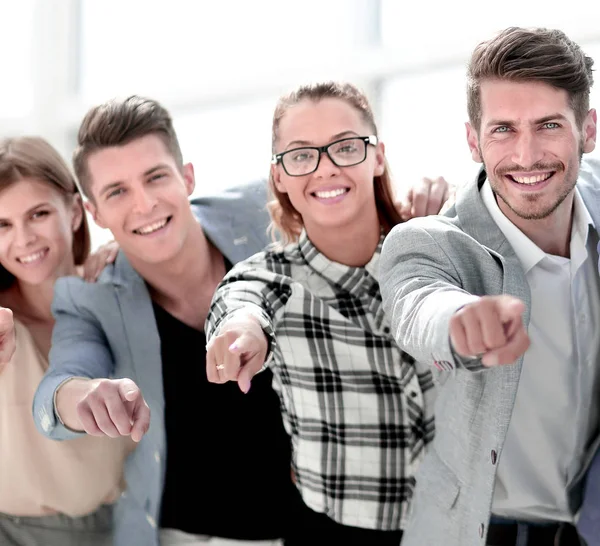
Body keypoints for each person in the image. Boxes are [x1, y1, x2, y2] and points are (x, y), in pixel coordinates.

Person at [32, 94, 449, 546]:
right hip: (192, 534)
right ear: (95, 214)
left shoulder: (258, 209)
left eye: (156, 177)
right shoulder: (91, 297)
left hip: (321, 521)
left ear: (186, 177)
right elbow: (59, 386)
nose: (145, 204)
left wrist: (417, 203)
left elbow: (347, 196)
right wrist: (84, 397)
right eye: (117, 192)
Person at [378, 27, 600, 546]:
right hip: (478, 532)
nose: (527, 156)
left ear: (587, 130)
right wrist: (461, 326)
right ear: (473, 140)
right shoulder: (431, 243)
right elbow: (419, 307)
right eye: (503, 130)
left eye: (548, 125)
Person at [205, 81, 437, 546]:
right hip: (332, 532)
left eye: (346, 147)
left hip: (461, 524)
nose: (325, 168)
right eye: (301, 155)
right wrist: (241, 331)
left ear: (377, 156)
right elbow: (243, 304)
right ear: (279, 176)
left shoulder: (434, 253)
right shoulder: (272, 276)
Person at [0, 136, 132, 546]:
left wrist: (127, 251)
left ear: (75, 211)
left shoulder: (116, 292)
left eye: (37, 214)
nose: (23, 239)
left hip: (116, 527)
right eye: (2, 225)